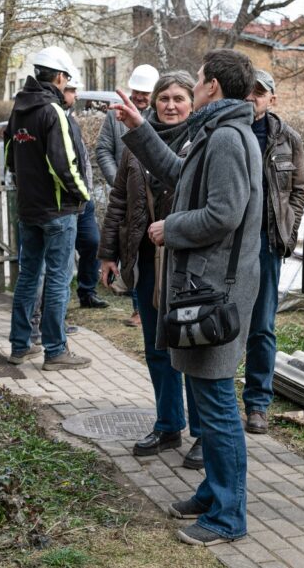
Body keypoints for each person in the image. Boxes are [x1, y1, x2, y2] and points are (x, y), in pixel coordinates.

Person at [111, 49, 261, 547]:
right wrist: (138, 127)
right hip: (202, 287)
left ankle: (228, 516)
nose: (192, 89)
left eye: (196, 81)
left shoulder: (229, 139)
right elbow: (179, 175)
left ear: (213, 85)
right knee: (203, 394)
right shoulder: (216, 133)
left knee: (217, 405)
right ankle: (212, 491)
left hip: (216, 291)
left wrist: (167, 227)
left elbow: (223, 214)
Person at [99, 71, 203, 468]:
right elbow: (120, 202)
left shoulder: (203, 142)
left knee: (190, 349)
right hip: (145, 258)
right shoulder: (134, 144)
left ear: (192, 103)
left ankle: (203, 433)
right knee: (156, 347)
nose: (171, 105)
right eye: (164, 98)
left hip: (186, 263)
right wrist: (108, 254)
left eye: (179, 98)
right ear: (153, 102)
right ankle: (168, 423)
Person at [4, 46, 92, 370]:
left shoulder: (19, 110)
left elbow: (9, 157)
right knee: (57, 278)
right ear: (58, 76)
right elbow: (64, 164)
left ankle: (20, 345)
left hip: (28, 210)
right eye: (66, 77)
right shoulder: (52, 111)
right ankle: (55, 351)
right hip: (57, 212)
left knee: (28, 276)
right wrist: (83, 196)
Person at [241, 69, 304, 434]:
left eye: (260, 92)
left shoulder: (287, 139)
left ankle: (257, 404)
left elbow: (298, 190)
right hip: (230, 246)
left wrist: (288, 229)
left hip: (267, 245)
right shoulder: (227, 131)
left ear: (271, 99)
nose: (253, 97)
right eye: (248, 91)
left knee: (262, 328)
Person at [98, 63, 160, 328]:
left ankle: (149, 305)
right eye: (137, 91)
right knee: (131, 251)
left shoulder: (161, 116)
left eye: (145, 93)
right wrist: (119, 182)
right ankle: (138, 309)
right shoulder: (115, 117)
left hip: (154, 200)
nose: (140, 97)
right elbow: (102, 150)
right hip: (127, 197)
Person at [64, 77, 109, 310]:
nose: (76, 96)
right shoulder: (53, 119)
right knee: (60, 257)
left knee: (92, 243)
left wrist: (87, 192)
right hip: (66, 201)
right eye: (71, 90)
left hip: (85, 198)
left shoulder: (71, 119)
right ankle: (54, 311)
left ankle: (87, 292)